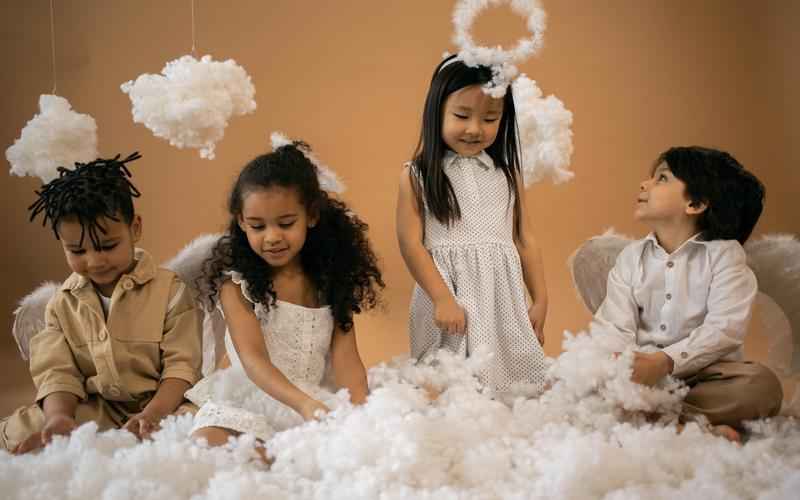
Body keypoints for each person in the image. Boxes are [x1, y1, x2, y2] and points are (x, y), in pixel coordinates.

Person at [186, 140, 384, 462]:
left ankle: (291, 459)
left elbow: (348, 361)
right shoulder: (237, 286)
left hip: (313, 401)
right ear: (240, 221)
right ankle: (275, 459)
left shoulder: (329, 283)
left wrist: (360, 416)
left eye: (286, 223)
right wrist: (302, 404)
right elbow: (254, 361)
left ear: (311, 216)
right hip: (256, 396)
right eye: (258, 226)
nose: (272, 237)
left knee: (350, 453)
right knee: (208, 443)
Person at [1, 153, 203, 453]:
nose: (95, 261)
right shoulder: (60, 304)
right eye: (77, 250)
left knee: (197, 431)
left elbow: (181, 367)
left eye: (107, 246)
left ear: (134, 228)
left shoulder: (170, 291)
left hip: (162, 402)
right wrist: (60, 417)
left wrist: (154, 413)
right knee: (21, 430)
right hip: (98, 408)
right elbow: (57, 372)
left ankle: (148, 435)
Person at [591, 146, 783, 441]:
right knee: (575, 380)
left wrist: (666, 361)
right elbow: (613, 323)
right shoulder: (631, 257)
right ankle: (682, 425)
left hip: (705, 378)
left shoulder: (725, 256)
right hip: (641, 375)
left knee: (761, 386)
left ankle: (660, 420)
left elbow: (725, 329)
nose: (645, 184)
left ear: (695, 203)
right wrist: (622, 366)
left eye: (662, 178)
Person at [396, 54, 548, 397]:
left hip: (501, 298)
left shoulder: (508, 176)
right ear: (437, 112)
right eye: (462, 116)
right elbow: (411, 244)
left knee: (514, 380)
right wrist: (441, 298)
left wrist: (540, 298)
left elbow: (525, 238)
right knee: (447, 385)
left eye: (490, 118)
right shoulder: (417, 175)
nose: (474, 129)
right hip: (450, 295)